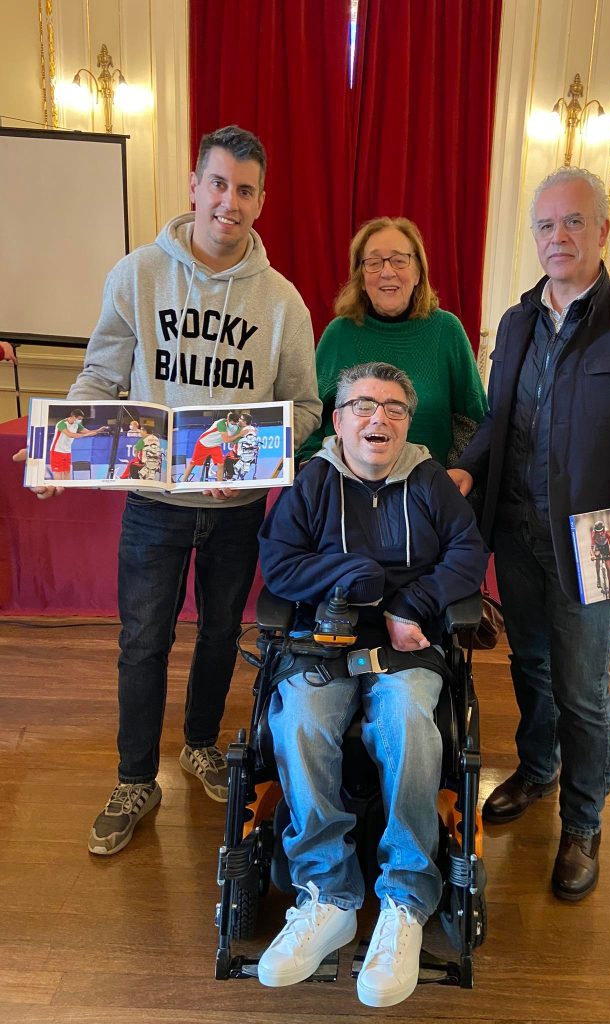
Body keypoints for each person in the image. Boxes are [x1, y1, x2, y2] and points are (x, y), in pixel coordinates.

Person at [14, 124, 321, 855]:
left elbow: (305, 408)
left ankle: (200, 745)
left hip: (236, 511)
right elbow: (100, 375)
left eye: (244, 190)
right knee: (143, 640)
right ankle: (133, 779)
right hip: (152, 505)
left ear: (261, 201)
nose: (229, 202)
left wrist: (244, 464)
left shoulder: (283, 302)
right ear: (194, 186)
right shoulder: (138, 274)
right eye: (218, 183)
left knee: (219, 633)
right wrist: (61, 453)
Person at [449, 166, 610, 900]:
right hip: (517, 530)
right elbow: (499, 421)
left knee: (583, 689)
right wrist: (465, 472)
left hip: (596, 539)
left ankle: (583, 822)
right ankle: (539, 768)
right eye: (546, 225)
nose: (559, 237)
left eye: (574, 222)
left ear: (602, 230)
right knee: (531, 665)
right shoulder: (518, 320)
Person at [257, 362, 488, 1007]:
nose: (377, 418)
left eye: (393, 408)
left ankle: (405, 899)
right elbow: (278, 563)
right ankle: (327, 895)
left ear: (408, 423)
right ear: (338, 420)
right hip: (324, 638)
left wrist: (414, 603)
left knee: (408, 720)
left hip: (407, 641)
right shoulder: (313, 479)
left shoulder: (430, 480)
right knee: (299, 718)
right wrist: (348, 577)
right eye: (362, 405)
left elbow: (468, 554)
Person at [296, 217, 488, 467]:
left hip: (428, 487)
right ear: (361, 277)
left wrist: (462, 471)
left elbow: (474, 423)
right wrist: (311, 465)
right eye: (374, 263)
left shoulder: (447, 330)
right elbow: (310, 419)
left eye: (399, 260)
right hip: (346, 486)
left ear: (418, 273)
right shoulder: (339, 334)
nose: (387, 272)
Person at [179, 410, 252, 483]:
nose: (232, 425)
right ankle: (183, 482)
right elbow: (226, 440)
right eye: (231, 423)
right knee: (193, 464)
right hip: (203, 443)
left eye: (234, 424)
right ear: (228, 420)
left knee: (221, 464)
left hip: (215, 446)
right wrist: (239, 435)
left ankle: (219, 484)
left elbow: (234, 441)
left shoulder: (237, 428)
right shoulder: (221, 423)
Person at [48, 409, 109, 480]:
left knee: (67, 471)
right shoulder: (62, 424)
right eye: (79, 419)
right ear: (73, 417)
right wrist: (84, 435)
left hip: (67, 451)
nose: (80, 421)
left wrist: (98, 430)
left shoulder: (77, 424)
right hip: (57, 450)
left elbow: (88, 432)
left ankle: (68, 486)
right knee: (59, 472)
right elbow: (70, 435)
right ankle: (58, 486)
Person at [590, 520, 610, 593]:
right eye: (598, 532)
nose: (599, 534)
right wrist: (592, 555)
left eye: (601, 531)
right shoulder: (593, 534)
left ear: (603, 530)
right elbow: (591, 548)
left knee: (608, 567)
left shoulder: (607, 532)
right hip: (598, 546)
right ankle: (598, 577)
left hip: (606, 546)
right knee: (597, 556)